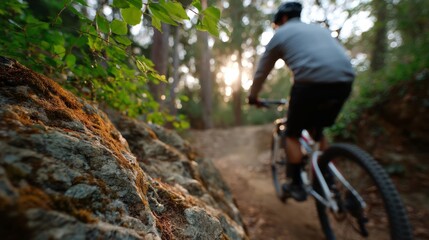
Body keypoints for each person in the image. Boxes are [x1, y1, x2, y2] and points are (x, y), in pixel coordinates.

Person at [248, 2, 355, 201]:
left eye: (276, 24)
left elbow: (262, 71)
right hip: (345, 80)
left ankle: (296, 185)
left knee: (292, 134)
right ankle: (328, 178)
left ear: (283, 19)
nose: (277, 28)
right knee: (318, 129)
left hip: (310, 85)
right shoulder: (317, 29)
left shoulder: (280, 35)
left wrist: (253, 97)